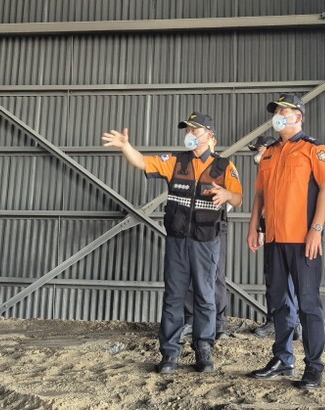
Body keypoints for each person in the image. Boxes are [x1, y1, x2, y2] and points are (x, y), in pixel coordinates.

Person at [101, 111, 243, 374]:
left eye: (194, 130)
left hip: (206, 241)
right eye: (187, 130)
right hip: (177, 241)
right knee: (173, 297)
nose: (189, 134)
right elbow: (142, 162)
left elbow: (238, 198)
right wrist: (125, 146)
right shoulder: (175, 162)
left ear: (209, 135)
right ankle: (170, 353)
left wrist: (227, 194)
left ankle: (203, 349)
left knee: (205, 296)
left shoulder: (224, 166)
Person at [246, 94, 325, 389]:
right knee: (280, 302)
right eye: (277, 111)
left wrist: (317, 229)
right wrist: (253, 227)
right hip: (274, 238)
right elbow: (260, 194)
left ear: (299, 116)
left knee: (308, 303)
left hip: (303, 240)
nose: (279, 115)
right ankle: (283, 359)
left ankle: (314, 366)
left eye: (285, 111)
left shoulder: (314, 149)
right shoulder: (269, 153)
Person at [248, 135, 302, 342]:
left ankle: (292, 322)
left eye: (260, 149)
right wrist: (260, 230)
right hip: (272, 232)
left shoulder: (285, 169)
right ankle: (278, 320)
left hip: (292, 234)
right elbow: (265, 205)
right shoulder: (266, 171)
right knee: (274, 279)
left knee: (291, 280)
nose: (257, 154)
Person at [181, 133, 230, 342]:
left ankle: (218, 321)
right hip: (188, 228)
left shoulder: (223, 166)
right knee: (190, 274)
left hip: (213, 229)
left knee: (215, 275)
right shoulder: (186, 164)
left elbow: (233, 197)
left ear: (212, 140)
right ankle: (190, 320)